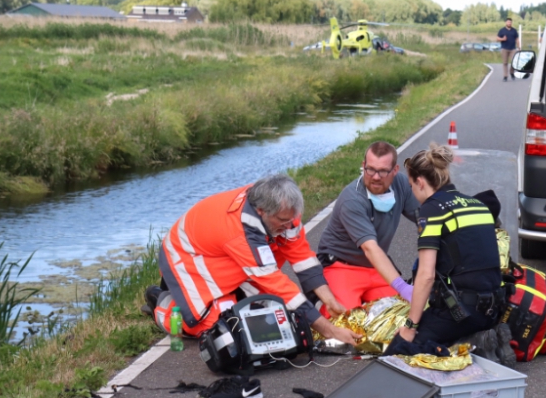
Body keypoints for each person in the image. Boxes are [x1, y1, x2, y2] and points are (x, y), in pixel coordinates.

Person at [147, 173, 360, 347]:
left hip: (226, 256)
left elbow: (302, 258)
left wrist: (330, 301)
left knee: (266, 314)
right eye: (284, 221)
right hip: (188, 259)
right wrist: (329, 330)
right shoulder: (239, 232)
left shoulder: (280, 209)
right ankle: (163, 303)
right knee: (221, 327)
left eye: (291, 220)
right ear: (261, 212)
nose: (290, 226)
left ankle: (233, 293)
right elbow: (277, 284)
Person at [388, 144, 515, 365]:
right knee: (444, 328)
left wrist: (410, 328)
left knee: (396, 355)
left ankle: (465, 345)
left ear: (420, 182)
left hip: (462, 312)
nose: (413, 193)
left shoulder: (432, 209)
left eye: (411, 186)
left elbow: (426, 276)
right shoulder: (477, 205)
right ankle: (479, 340)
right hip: (495, 308)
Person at [302, 141, 420, 314]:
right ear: (363, 166)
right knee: (345, 320)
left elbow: (426, 219)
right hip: (341, 266)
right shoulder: (352, 199)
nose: (376, 177)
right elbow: (369, 248)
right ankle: (317, 307)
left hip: (374, 267)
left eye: (383, 171)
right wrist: (402, 287)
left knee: (402, 315)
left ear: (395, 170)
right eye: (370, 169)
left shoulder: (401, 185)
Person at [497, 17, 520, 82]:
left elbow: (517, 39)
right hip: (504, 48)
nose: (509, 23)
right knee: (505, 63)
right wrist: (502, 39)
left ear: (511, 23)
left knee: (514, 62)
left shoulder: (514, 30)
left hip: (513, 48)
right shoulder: (502, 30)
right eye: (508, 22)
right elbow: (497, 38)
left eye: (510, 22)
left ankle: (511, 72)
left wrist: (519, 47)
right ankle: (505, 76)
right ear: (506, 22)